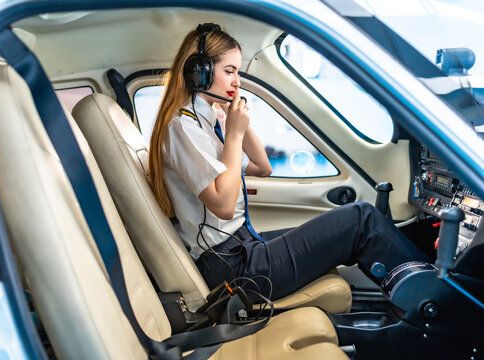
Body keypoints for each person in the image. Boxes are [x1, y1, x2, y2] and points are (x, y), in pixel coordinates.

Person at [149, 23, 429, 301]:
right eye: (229, 72)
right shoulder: (183, 127)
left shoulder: (206, 123)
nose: (237, 81)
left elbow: (262, 168)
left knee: (352, 220)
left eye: (238, 72)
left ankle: (422, 289)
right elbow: (223, 205)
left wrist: (235, 120)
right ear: (200, 74)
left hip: (241, 248)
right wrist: (233, 134)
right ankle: (434, 295)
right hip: (231, 267)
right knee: (360, 220)